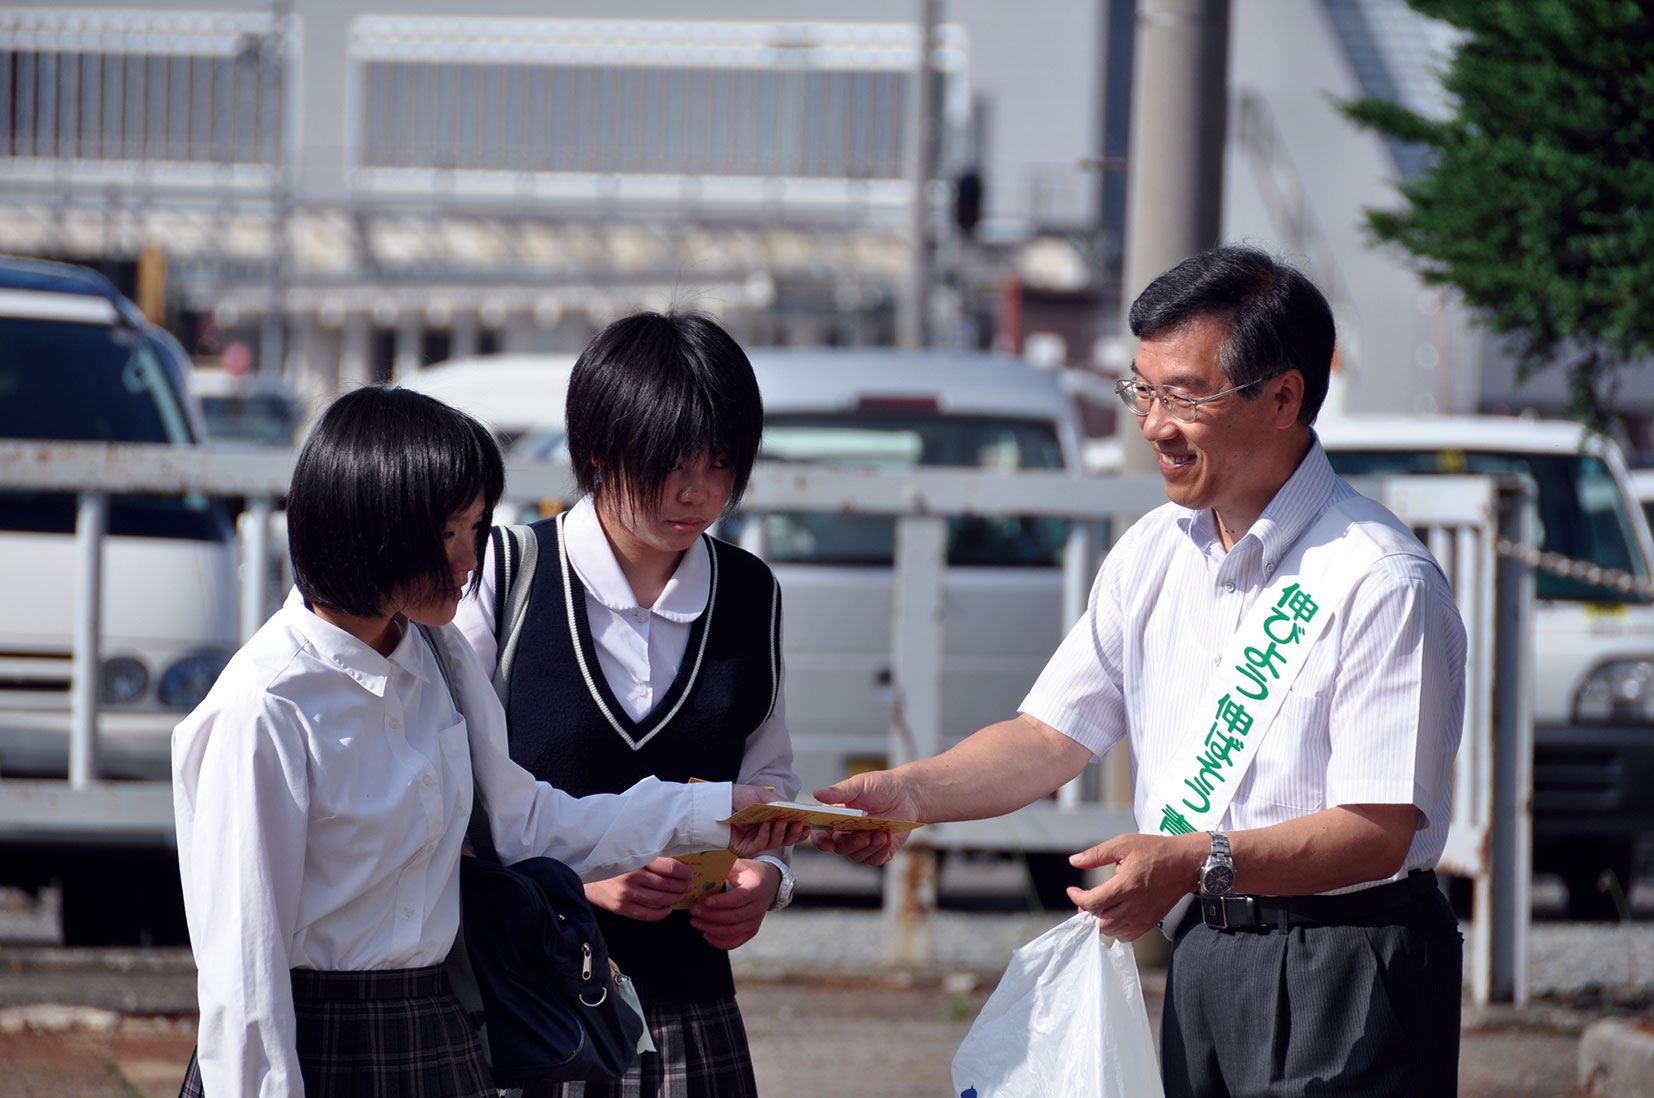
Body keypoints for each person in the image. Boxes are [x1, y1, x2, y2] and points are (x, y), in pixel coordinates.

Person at [815, 246, 1467, 1098]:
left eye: (1186, 395)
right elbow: (1050, 735)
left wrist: (1195, 861)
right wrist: (911, 794)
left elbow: (1379, 830)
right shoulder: (1155, 552)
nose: (1154, 423)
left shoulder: (1379, 579)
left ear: (1284, 397)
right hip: (1205, 951)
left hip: (1353, 961)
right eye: (1142, 390)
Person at [172, 385, 793, 1097]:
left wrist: (714, 810)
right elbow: (245, 977)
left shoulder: (436, 655)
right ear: (373, 527)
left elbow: (524, 822)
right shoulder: (264, 706)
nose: (474, 555)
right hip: (318, 1040)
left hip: (440, 1030)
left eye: (478, 524)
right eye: (450, 532)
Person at [455, 311, 797, 1098]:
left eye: (721, 463)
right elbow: (451, 801)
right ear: (599, 452)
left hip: (691, 1008)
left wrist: (765, 881)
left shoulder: (749, 592)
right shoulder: (505, 575)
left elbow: (768, 778)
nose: (700, 491)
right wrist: (574, 878)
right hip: (536, 1011)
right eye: (671, 463)